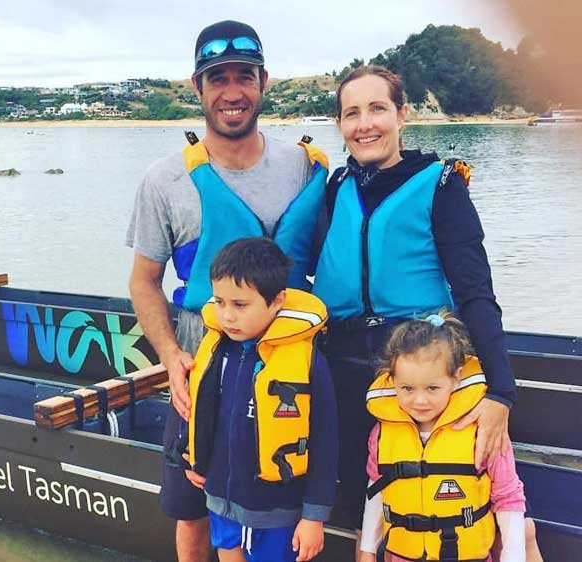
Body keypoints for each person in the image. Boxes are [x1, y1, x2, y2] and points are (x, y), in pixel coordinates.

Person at [126, 20, 328, 562]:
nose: (232, 92)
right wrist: (170, 356)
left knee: (284, 520)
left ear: (264, 82)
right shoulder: (163, 180)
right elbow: (143, 281)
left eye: (245, 76)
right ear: (198, 88)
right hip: (201, 377)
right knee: (193, 514)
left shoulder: (304, 169)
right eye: (217, 79)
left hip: (289, 384)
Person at [312, 64, 527, 557]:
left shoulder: (441, 185)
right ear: (340, 124)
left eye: (377, 109)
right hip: (343, 367)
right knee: (356, 493)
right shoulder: (334, 187)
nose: (365, 124)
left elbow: (476, 292)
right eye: (352, 113)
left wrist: (501, 392)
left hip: (421, 369)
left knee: (448, 490)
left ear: (402, 114)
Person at [181, 237, 338, 562]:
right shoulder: (216, 349)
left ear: (277, 300)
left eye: (240, 305)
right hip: (219, 496)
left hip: (274, 508)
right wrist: (194, 457)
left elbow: (325, 442)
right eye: (220, 302)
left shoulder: (308, 362)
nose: (227, 316)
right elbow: (204, 412)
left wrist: (313, 516)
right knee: (227, 552)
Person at [359, 312, 526, 562]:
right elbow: (377, 488)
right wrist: (367, 550)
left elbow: (508, 497)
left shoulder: (485, 430)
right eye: (407, 388)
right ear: (391, 381)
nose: (419, 400)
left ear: (455, 377)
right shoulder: (382, 433)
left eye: (432, 388)